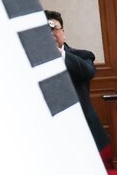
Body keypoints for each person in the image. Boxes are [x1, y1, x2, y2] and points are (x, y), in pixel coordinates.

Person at [45, 11, 109, 151]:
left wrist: (59, 53)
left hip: (81, 125)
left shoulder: (83, 55)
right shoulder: (34, 63)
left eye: (54, 28)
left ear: (63, 32)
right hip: (51, 129)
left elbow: (88, 72)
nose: (50, 34)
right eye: (45, 30)